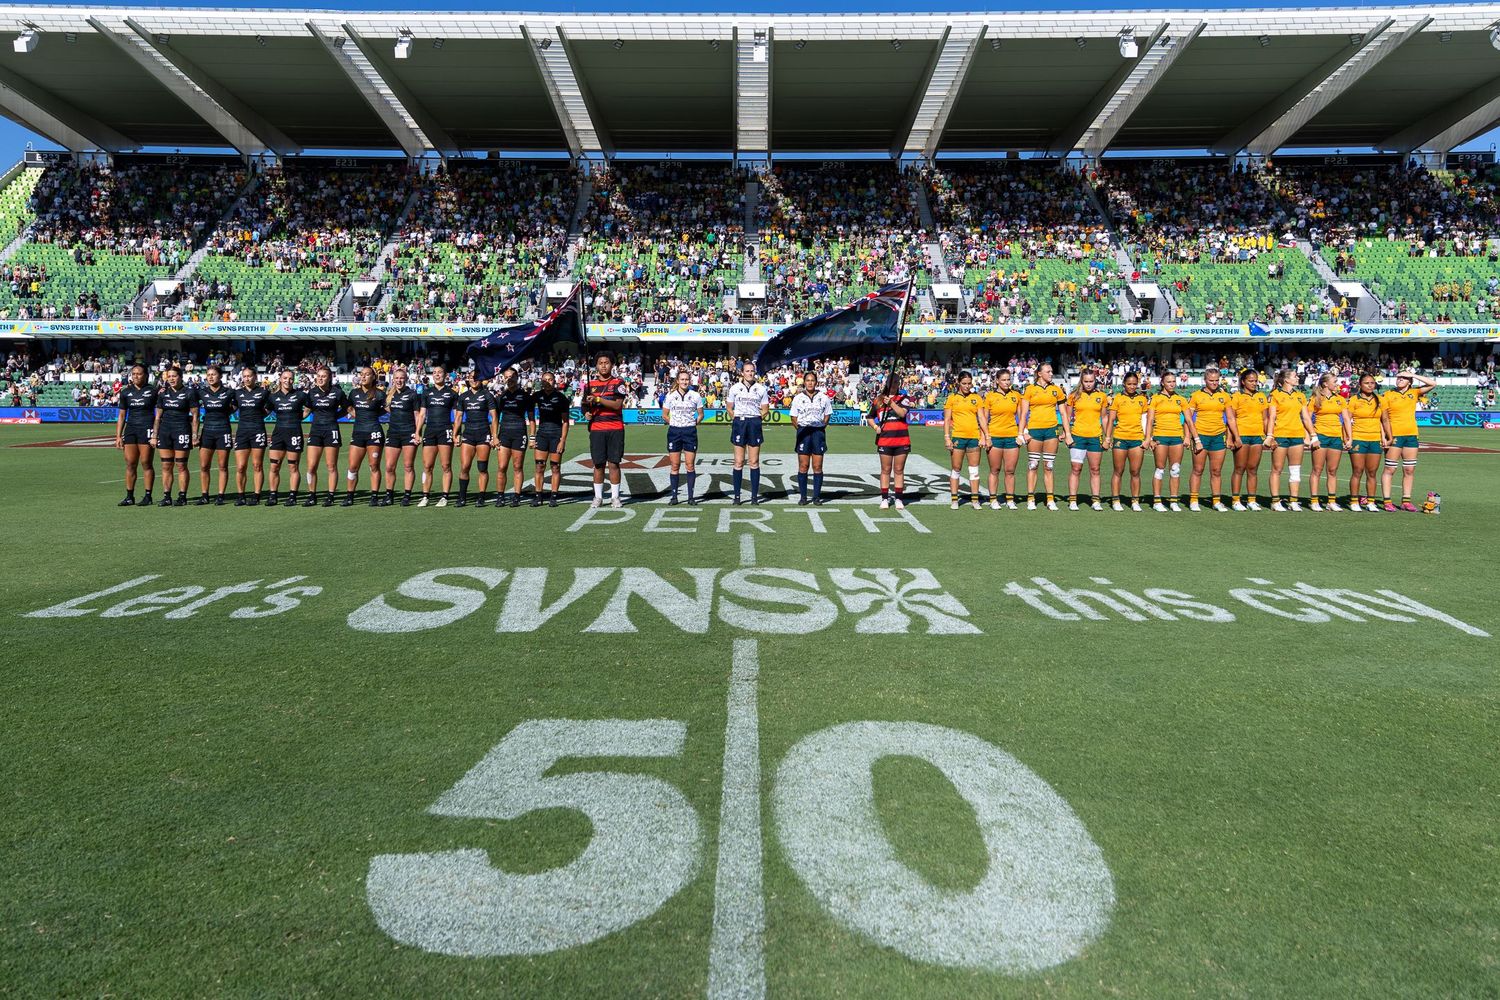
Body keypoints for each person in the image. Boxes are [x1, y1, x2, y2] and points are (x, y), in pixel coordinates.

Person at [1379, 369, 1435, 511]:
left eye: (1403, 378)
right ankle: (1387, 501)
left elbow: (1432, 383)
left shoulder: (1414, 393)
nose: (1400, 380)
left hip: (1411, 435)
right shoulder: (1387, 395)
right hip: (1394, 436)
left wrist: (1413, 375)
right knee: (1390, 469)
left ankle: (1406, 501)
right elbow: (1381, 418)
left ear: (1409, 381)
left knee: (1409, 469)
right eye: (1398, 377)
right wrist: (1383, 436)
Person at [1018, 362, 1069, 510]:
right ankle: (1030, 498)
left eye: (1052, 371)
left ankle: (1050, 499)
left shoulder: (1056, 390)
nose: (1051, 373)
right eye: (1048, 371)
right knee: (1033, 465)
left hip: (1051, 431)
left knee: (1049, 466)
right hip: (1034, 431)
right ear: (1039, 374)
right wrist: (1022, 432)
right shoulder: (1029, 389)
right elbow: (1023, 414)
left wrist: (1067, 432)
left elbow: (1064, 413)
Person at [1186, 367, 1237, 512]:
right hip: (1201, 435)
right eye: (1211, 380)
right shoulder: (1196, 396)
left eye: (1216, 380)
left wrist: (1232, 437)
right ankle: (1194, 500)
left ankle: (1216, 501)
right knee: (1198, 469)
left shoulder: (1225, 396)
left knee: (1216, 471)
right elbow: (1188, 419)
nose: (1214, 383)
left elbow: (1231, 419)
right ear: (1205, 380)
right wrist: (1191, 437)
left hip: (1218, 437)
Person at [1266, 369, 1314, 511]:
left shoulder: (1300, 396)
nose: (1297, 377)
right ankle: (1275, 501)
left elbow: (1306, 417)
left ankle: (1293, 501)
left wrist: (1313, 435)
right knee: (1277, 469)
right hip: (1280, 435)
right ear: (1286, 380)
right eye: (1295, 376)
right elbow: (1272, 417)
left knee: (1295, 470)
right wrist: (1270, 435)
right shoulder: (1275, 395)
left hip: (1296, 436)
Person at [1063, 368, 1111, 511]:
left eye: (1091, 381)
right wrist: (1067, 434)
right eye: (1086, 381)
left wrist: (1107, 437)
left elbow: (1104, 417)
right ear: (1081, 381)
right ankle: (1072, 500)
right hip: (1078, 436)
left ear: (1095, 381)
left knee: (1095, 469)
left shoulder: (1102, 396)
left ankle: (1095, 500)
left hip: (1096, 437)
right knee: (1076, 469)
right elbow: (1066, 417)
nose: (1089, 384)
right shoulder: (1073, 396)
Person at [586, 352, 628, 508]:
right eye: (600, 363)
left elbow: (617, 405)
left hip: (615, 428)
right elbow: (585, 405)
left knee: (614, 463)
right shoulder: (590, 385)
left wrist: (598, 399)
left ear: (612, 365)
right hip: (596, 428)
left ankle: (615, 497)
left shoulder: (619, 382)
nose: (603, 365)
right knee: (598, 464)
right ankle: (598, 497)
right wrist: (587, 413)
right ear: (596, 365)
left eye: (606, 362)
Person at [151, 365, 197, 508]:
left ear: (180, 377)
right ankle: (167, 496)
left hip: (182, 430)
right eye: (169, 376)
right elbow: (158, 417)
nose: (171, 379)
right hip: (165, 431)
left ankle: (182, 496)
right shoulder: (163, 394)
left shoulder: (189, 392)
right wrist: (154, 435)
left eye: (174, 376)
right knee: (166, 465)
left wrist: (194, 435)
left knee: (181, 465)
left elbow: (195, 415)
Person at [726, 360, 769, 504]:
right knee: (738, 462)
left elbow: (765, 410)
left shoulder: (761, 389)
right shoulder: (735, 388)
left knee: (754, 461)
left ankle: (754, 497)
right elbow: (729, 407)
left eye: (752, 371)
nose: (750, 373)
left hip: (754, 423)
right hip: (740, 423)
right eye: (747, 371)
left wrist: (757, 418)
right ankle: (737, 496)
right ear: (742, 372)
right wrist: (737, 419)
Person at [114, 363, 157, 506]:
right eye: (133, 374)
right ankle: (129, 496)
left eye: (139, 373)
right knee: (131, 464)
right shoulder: (126, 392)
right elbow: (121, 416)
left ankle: (148, 496)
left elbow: (160, 412)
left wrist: (155, 433)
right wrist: (118, 436)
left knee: (146, 463)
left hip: (147, 429)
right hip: (131, 429)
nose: (136, 376)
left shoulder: (153, 391)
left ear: (146, 375)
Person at [303, 367, 346, 507]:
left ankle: (331, 496)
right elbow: (307, 410)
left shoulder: (338, 392)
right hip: (315, 430)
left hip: (331, 430)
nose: (320, 379)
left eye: (323, 376)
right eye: (318, 376)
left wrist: (335, 417)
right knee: (311, 467)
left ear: (329, 378)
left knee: (331, 466)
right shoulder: (312, 392)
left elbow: (346, 409)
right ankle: (312, 496)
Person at [1144, 371, 1187, 512]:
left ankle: (1173, 501)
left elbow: (1187, 420)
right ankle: (1157, 501)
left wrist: (1187, 437)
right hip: (1160, 437)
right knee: (1160, 470)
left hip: (1176, 437)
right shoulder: (1155, 398)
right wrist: (1149, 438)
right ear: (1162, 382)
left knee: (1175, 470)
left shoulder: (1181, 399)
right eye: (1169, 381)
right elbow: (1149, 420)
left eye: (1174, 381)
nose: (1172, 384)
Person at [1308, 372, 1352, 511]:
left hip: (1335, 438)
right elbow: (1307, 418)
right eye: (1335, 381)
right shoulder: (1315, 398)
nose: (1337, 383)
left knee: (1332, 470)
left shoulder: (1340, 399)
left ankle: (1331, 501)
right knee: (1317, 469)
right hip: (1320, 436)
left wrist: (1349, 437)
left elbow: (1346, 419)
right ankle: (1314, 501)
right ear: (1325, 383)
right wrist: (1311, 436)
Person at [790, 369, 834, 505]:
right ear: (804, 382)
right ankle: (803, 497)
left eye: (812, 380)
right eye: (808, 380)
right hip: (804, 432)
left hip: (818, 433)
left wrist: (821, 427)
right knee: (803, 465)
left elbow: (827, 415)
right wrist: (802, 429)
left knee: (817, 466)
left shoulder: (824, 397)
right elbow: (793, 417)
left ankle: (816, 497)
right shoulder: (798, 398)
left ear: (816, 382)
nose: (810, 383)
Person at [454, 369, 497, 507]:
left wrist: (494, 436)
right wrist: (456, 434)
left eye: (476, 377)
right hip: (468, 435)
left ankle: (481, 497)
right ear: (468, 379)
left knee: (482, 468)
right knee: (465, 467)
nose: (473, 380)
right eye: (471, 377)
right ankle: (462, 497)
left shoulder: (487, 395)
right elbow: (459, 417)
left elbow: (494, 417)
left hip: (483, 434)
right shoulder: (463, 396)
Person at [661, 368, 704, 505]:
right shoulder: (670, 396)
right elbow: (664, 415)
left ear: (690, 381)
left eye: (687, 379)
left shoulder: (696, 396)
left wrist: (693, 424)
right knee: (675, 465)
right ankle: (674, 496)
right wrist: (673, 423)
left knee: (690, 465)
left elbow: (701, 414)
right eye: (682, 379)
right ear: (678, 381)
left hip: (690, 432)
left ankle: (691, 497)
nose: (685, 382)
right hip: (674, 432)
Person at [344, 366, 385, 507]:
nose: (363, 377)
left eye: (367, 374)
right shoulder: (354, 393)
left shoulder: (379, 394)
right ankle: (349, 496)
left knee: (374, 466)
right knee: (352, 466)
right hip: (358, 433)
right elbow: (348, 408)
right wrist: (359, 416)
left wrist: (371, 416)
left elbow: (386, 409)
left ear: (373, 377)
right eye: (362, 374)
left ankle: (374, 496)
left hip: (374, 432)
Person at [868, 371, 910, 509]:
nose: (894, 385)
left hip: (901, 439)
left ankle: (899, 498)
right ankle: (884, 498)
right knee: (885, 469)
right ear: (887, 383)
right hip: (885, 440)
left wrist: (891, 403)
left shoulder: (904, 397)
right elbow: (870, 417)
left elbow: (902, 413)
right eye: (892, 382)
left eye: (897, 382)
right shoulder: (879, 399)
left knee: (899, 470)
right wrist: (875, 427)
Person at [266, 369, 309, 506]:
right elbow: (266, 410)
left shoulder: (300, 395)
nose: (288, 381)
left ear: (293, 380)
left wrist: (298, 419)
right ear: (280, 379)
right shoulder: (273, 397)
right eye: (285, 378)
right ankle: (273, 495)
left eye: (290, 378)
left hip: (294, 433)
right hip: (278, 434)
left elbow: (308, 409)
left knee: (293, 468)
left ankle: (292, 496)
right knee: (274, 466)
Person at [1107, 371, 1148, 511]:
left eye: (1134, 384)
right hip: (1120, 438)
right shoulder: (1117, 399)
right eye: (1129, 384)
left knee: (1135, 471)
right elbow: (1111, 420)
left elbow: (1145, 420)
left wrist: (1147, 438)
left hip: (1136, 439)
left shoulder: (1142, 399)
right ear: (1124, 384)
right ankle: (1116, 500)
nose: (1132, 386)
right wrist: (1108, 437)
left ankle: (1135, 501)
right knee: (1118, 470)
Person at [195, 364, 236, 505]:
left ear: (220, 376)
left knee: (222, 466)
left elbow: (235, 405)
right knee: (204, 466)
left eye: (213, 374)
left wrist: (225, 413)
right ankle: (205, 495)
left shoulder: (229, 392)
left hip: (223, 430)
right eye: (208, 374)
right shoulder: (201, 392)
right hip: (207, 432)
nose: (210, 377)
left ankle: (220, 495)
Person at [943, 371, 984, 510]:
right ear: (958, 383)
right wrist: (947, 437)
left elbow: (982, 418)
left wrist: (985, 435)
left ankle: (975, 500)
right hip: (958, 437)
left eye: (969, 383)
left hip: (974, 437)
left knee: (974, 470)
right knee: (956, 469)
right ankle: (955, 499)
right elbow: (947, 419)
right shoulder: (952, 398)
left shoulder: (977, 398)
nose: (967, 386)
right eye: (964, 383)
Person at [982, 369, 1023, 510]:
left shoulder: (1016, 395)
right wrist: (985, 436)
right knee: (995, 469)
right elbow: (984, 419)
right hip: (995, 437)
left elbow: (1022, 416)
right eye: (1004, 380)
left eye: (1008, 379)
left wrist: (1021, 433)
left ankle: (1010, 499)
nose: (1006, 382)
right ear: (997, 381)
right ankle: (993, 499)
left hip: (1012, 437)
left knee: (1010, 470)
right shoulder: (990, 397)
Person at [530, 369, 572, 507]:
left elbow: (565, 422)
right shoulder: (537, 396)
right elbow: (529, 413)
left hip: (556, 436)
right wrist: (532, 435)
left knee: (555, 467)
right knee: (539, 467)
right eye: (545, 380)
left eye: (550, 379)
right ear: (541, 382)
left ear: (554, 381)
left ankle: (553, 496)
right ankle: (538, 496)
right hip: (541, 435)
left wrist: (563, 440)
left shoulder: (561, 398)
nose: (547, 382)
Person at [493, 367, 534, 507]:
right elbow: (495, 419)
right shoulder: (500, 397)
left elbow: (531, 418)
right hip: (504, 434)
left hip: (519, 433)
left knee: (517, 467)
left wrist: (532, 436)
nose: (509, 379)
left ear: (517, 378)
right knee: (502, 467)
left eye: (512, 377)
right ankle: (500, 496)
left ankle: (517, 496)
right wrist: (494, 436)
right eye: (506, 377)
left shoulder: (525, 396)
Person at [1228, 369, 1268, 511]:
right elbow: (1231, 418)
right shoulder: (1236, 396)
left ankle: (1251, 499)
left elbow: (1265, 418)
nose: (1254, 383)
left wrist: (1269, 435)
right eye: (1251, 381)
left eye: (1256, 381)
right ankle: (1236, 500)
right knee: (1239, 468)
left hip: (1257, 436)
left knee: (1253, 469)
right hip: (1242, 435)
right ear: (1243, 381)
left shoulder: (1261, 396)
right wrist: (1232, 438)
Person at [383, 366, 423, 507]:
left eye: (401, 378)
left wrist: (418, 433)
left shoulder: (412, 394)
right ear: (393, 379)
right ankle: (389, 495)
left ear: (406, 379)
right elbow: (387, 408)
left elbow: (417, 415)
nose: (399, 380)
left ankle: (407, 495)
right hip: (393, 433)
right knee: (389, 467)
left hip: (408, 432)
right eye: (397, 378)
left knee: (408, 466)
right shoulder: (390, 395)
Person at [1346, 372, 1386, 512]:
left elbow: (1384, 420)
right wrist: (1348, 438)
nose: (1370, 385)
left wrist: (1386, 437)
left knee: (1372, 472)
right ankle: (1354, 501)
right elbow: (1346, 421)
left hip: (1374, 439)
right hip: (1358, 438)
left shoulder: (1380, 400)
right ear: (1360, 385)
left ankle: (1371, 502)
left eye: (1372, 383)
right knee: (1357, 471)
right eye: (1366, 383)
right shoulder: (1353, 400)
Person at [419, 364, 458, 507]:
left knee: (446, 465)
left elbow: (456, 415)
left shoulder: (452, 393)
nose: (437, 375)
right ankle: (425, 496)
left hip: (445, 430)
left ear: (445, 375)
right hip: (429, 431)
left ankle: (445, 496)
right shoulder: (426, 392)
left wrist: (456, 433)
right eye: (434, 372)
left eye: (440, 372)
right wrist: (417, 432)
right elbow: (422, 414)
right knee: (427, 465)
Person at [232, 367, 271, 506]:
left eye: (249, 376)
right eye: (244, 376)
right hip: (242, 431)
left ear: (255, 377)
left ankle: (256, 495)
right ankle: (241, 495)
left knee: (257, 465)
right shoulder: (237, 393)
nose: (247, 378)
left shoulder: (263, 393)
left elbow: (268, 409)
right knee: (241, 466)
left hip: (257, 430)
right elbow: (232, 408)